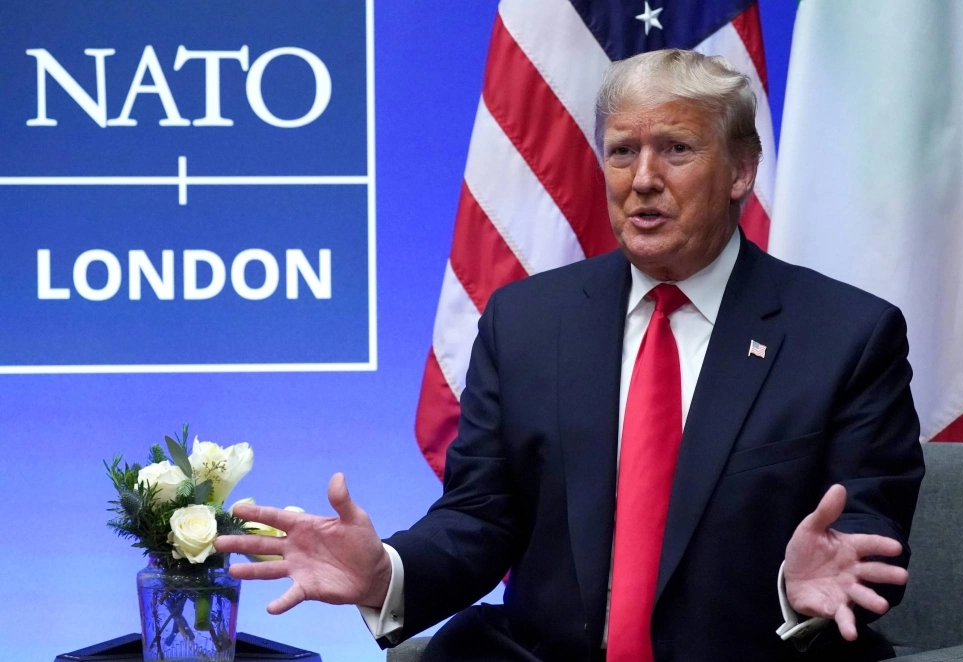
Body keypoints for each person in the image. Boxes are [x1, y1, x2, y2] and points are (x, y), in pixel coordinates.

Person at [216, 49, 924, 661]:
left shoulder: (846, 336)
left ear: (741, 170)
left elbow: (861, 531)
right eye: (622, 151)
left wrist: (794, 593)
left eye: (676, 149)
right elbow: (479, 519)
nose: (642, 178)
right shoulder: (527, 321)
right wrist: (386, 573)